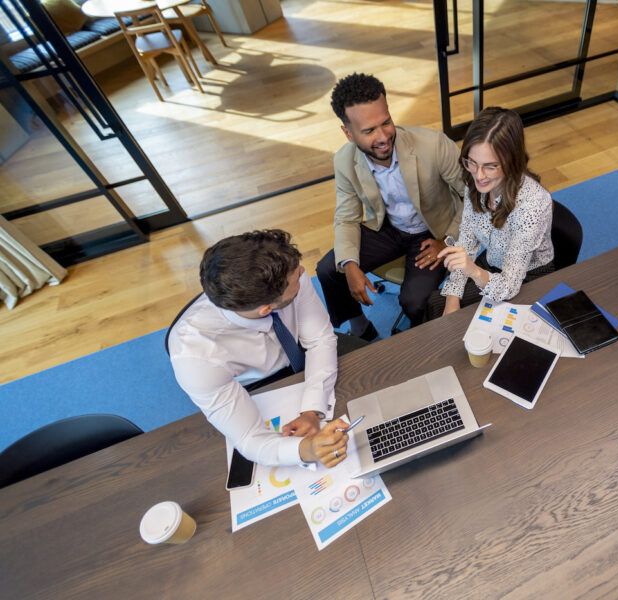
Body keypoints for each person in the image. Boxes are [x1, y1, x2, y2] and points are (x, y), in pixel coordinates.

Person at [168, 230, 352, 469]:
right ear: (266, 309)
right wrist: (306, 449)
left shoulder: (289, 272)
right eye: (296, 278)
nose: (303, 274)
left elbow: (320, 340)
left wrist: (312, 409)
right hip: (255, 386)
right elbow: (248, 438)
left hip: (302, 354)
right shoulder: (194, 356)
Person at [316, 73, 466, 338]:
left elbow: (473, 197)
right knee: (330, 268)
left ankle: (421, 338)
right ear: (348, 133)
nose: (383, 136)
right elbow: (346, 218)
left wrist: (448, 239)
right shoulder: (343, 160)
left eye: (386, 122)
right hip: (387, 226)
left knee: (414, 301)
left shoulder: (433, 145)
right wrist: (350, 265)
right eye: (369, 131)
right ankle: (360, 326)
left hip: (434, 231)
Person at [427, 107, 554, 319]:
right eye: (472, 162)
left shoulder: (533, 204)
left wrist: (473, 271)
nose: (479, 175)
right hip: (493, 261)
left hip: (528, 277)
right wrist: (452, 298)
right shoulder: (475, 183)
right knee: (438, 303)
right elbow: (466, 240)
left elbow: (510, 285)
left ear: (511, 161)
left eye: (491, 166)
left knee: (468, 320)